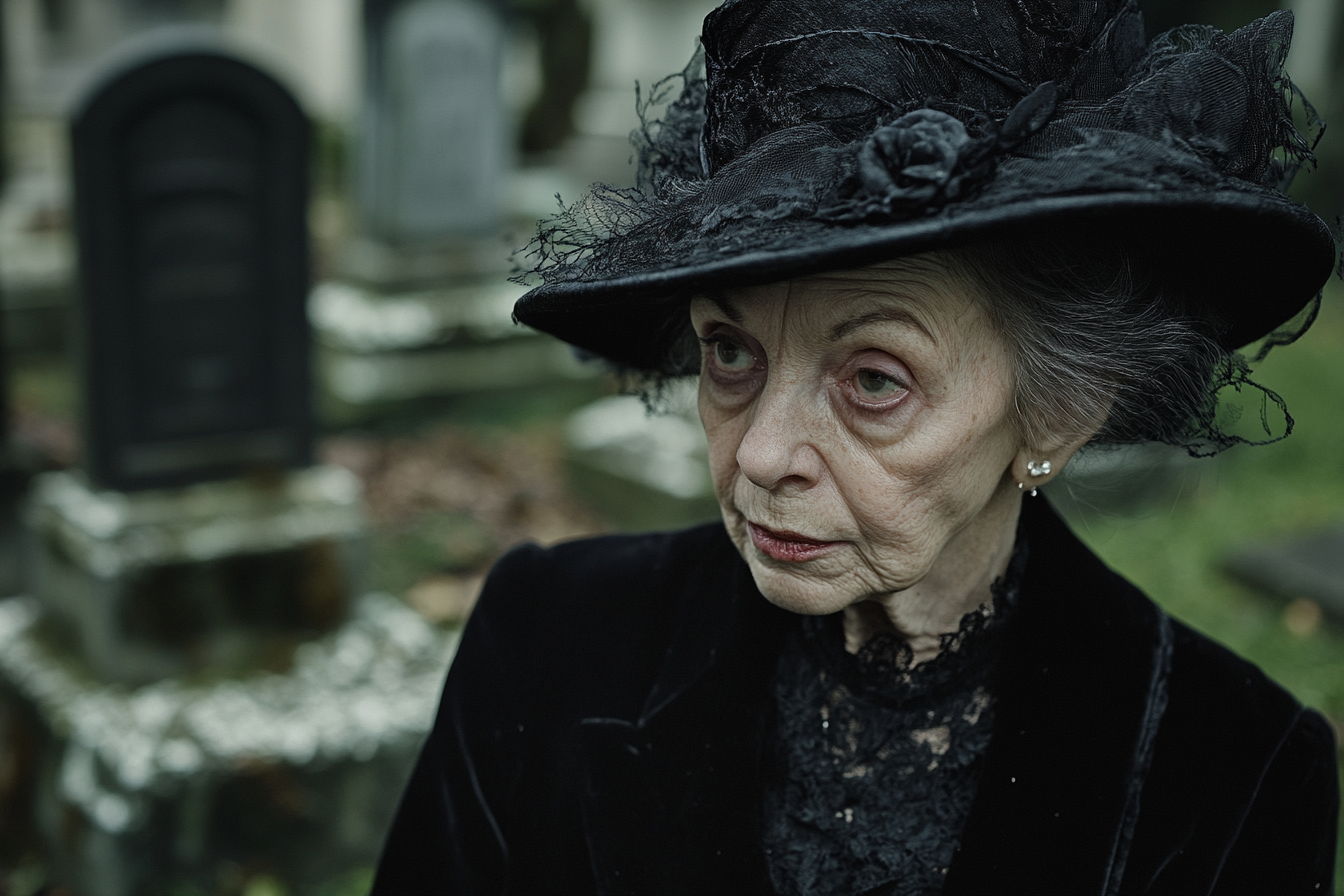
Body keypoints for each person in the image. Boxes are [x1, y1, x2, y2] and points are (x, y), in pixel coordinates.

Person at [372, 0, 1341, 892]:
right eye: (730, 350)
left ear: (1061, 411)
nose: (761, 455)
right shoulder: (541, 635)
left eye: (875, 379)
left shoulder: (1238, 760)